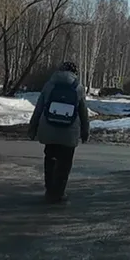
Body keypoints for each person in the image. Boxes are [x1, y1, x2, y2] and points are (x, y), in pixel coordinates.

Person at [28, 61, 90, 203]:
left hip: (49, 128)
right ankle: (59, 192)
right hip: (69, 132)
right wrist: (85, 132)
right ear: (75, 73)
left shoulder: (49, 85)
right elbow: (83, 113)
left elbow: (39, 108)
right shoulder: (78, 87)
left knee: (50, 159)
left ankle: (49, 190)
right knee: (65, 163)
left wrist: (32, 128)